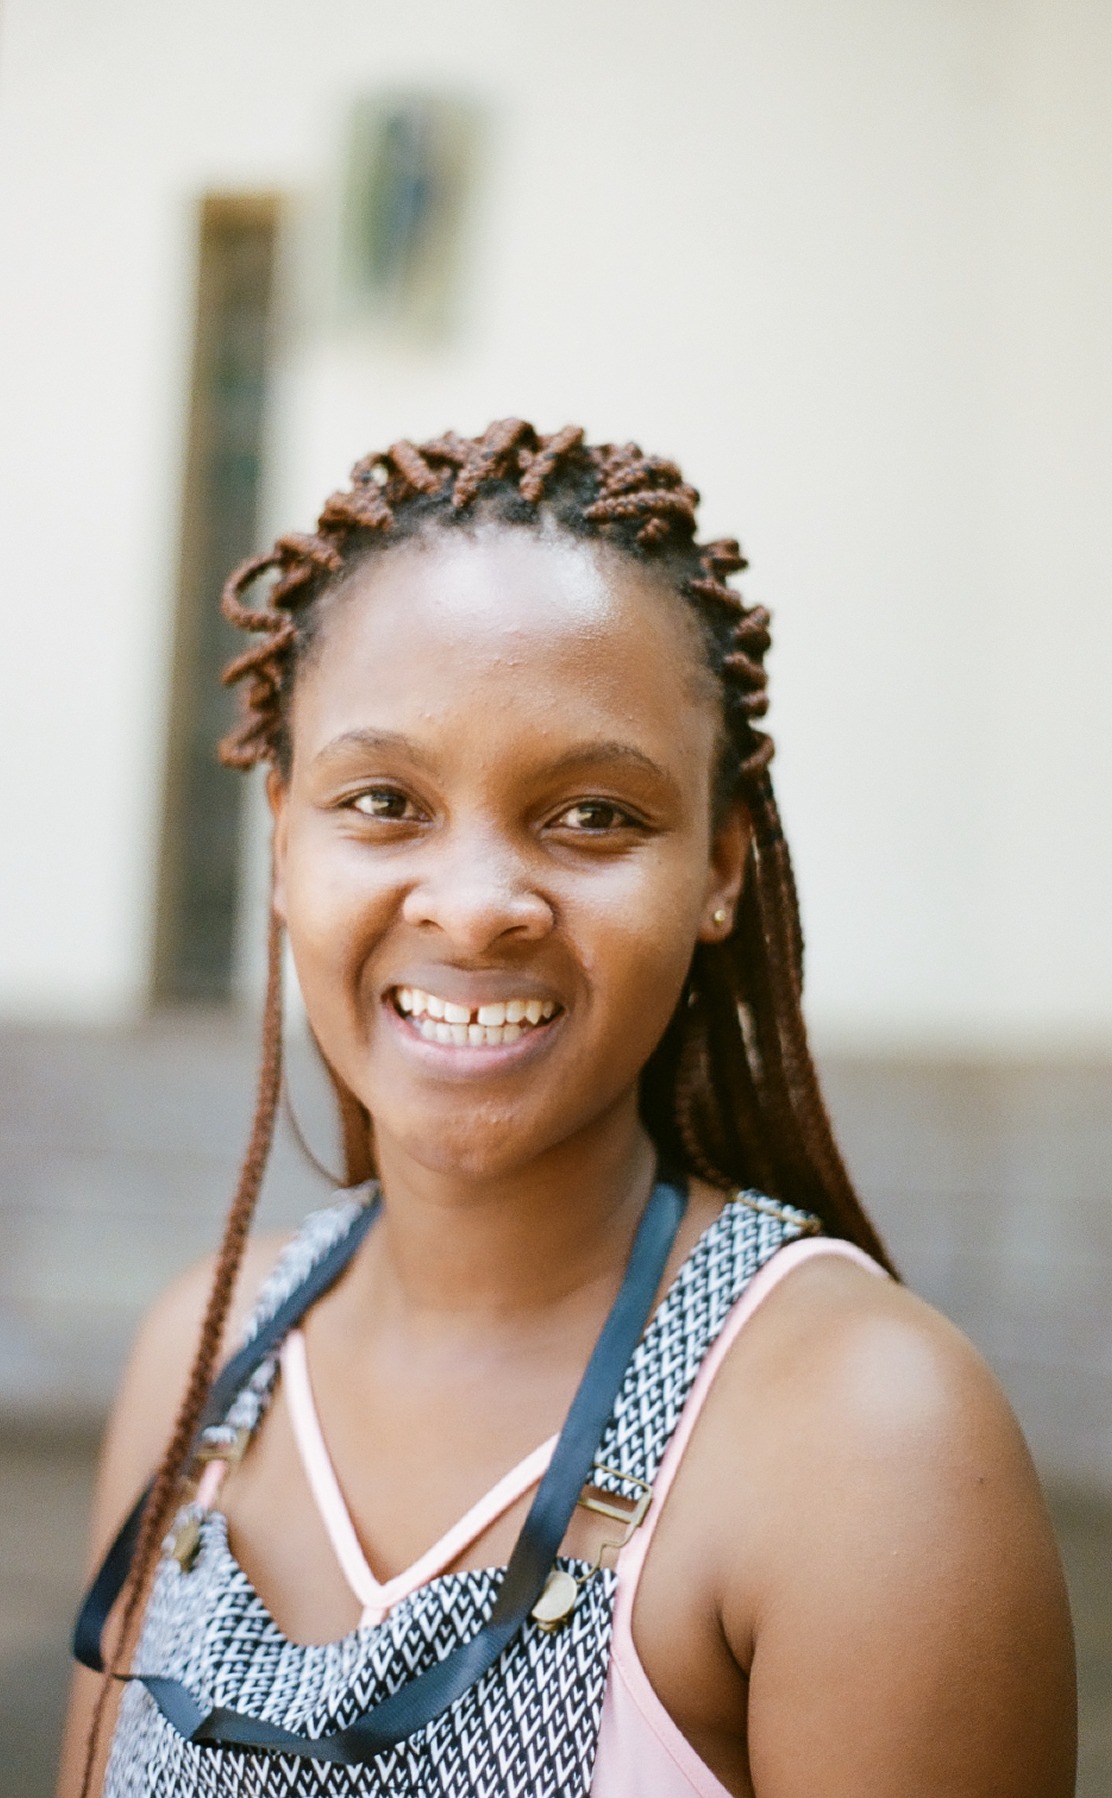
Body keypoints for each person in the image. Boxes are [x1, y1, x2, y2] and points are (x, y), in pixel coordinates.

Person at [59, 421, 1076, 1797]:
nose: (476, 903)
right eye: (383, 801)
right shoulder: (208, 1351)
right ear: (286, 838)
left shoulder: (871, 1443)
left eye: (592, 814)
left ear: (719, 864)